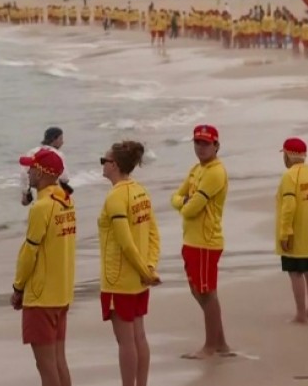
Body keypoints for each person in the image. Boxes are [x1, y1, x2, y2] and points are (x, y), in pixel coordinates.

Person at [99, 141, 161, 386]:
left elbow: (125, 243)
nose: (102, 165)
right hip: (139, 276)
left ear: (114, 165)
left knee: (126, 341)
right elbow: (153, 234)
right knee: (139, 337)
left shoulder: (115, 197)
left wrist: (144, 271)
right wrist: (149, 268)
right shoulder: (140, 191)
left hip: (120, 278)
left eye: (104, 161)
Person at [12, 148, 76, 386]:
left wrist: (18, 287)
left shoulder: (41, 207)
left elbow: (30, 252)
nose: (27, 172)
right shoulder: (66, 201)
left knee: (45, 365)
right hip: (61, 292)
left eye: (30, 168)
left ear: (40, 173)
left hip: (41, 295)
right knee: (59, 360)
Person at [171, 124, 233, 359]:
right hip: (191, 239)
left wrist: (184, 203)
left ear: (216, 145)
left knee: (207, 293)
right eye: (197, 142)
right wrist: (183, 202)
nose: (201, 147)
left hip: (206, 241)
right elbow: (176, 197)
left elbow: (191, 208)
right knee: (198, 291)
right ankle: (220, 343)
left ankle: (211, 346)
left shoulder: (216, 172)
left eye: (206, 143)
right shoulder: (196, 169)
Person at [276, 138, 308, 322]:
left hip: (296, 231)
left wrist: (285, 232)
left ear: (288, 156)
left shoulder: (289, 176)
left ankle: (301, 314)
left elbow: (289, 205)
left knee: (295, 273)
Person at [21, 127, 72, 206]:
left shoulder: (32, 151)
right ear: (54, 139)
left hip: (34, 191)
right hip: (52, 193)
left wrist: (25, 192)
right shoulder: (58, 154)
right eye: (60, 138)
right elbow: (65, 178)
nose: (62, 142)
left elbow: (24, 173)